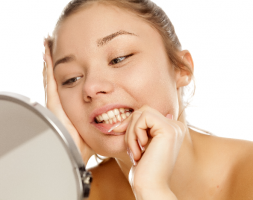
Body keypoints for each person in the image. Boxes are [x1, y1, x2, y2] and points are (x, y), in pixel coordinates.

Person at [42, 0, 253, 199]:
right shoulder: (74, 191)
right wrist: (65, 163)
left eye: (119, 58)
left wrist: (152, 190)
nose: (91, 87)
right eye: (71, 78)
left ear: (181, 68)